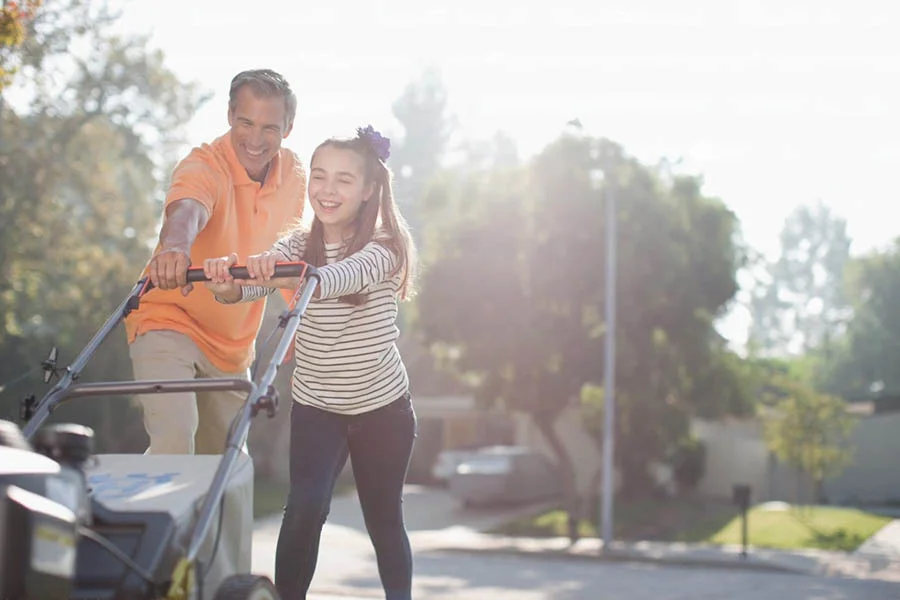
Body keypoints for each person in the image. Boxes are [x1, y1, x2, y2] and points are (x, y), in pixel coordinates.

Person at [202, 125, 417, 600]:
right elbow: (249, 282)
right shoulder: (296, 245)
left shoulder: (385, 248)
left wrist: (299, 274)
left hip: (382, 408)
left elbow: (342, 276)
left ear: (367, 191)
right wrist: (229, 278)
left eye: (343, 179)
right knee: (303, 508)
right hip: (318, 405)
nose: (327, 189)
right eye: (319, 177)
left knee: (383, 521)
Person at [124, 68, 307, 455]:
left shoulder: (295, 175)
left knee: (227, 461)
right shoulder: (203, 164)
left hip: (234, 344)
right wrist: (175, 248)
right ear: (229, 115)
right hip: (168, 321)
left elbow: (293, 252)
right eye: (246, 122)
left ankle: (216, 518)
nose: (255, 140)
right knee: (175, 436)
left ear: (288, 128)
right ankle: (156, 515)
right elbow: (186, 209)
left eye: (270, 128)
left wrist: (299, 329)